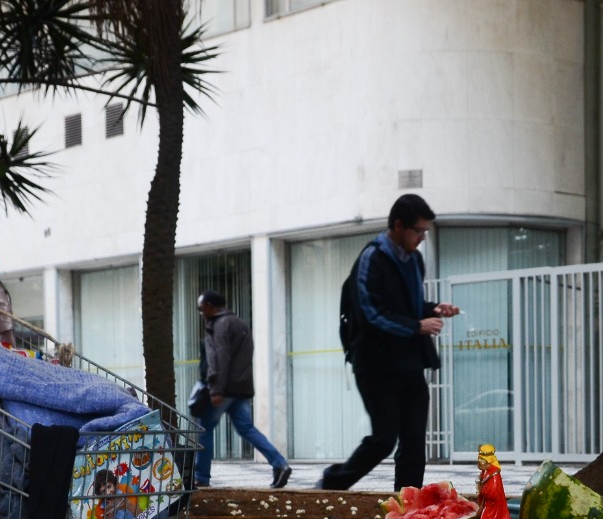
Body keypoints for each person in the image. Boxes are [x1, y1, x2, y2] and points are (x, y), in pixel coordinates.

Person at [317, 194, 459, 491]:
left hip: (409, 363)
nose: (422, 237)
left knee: (414, 440)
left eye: (425, 232)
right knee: (384, 438)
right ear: (398, 225)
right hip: (375, 365)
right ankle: (331, 484)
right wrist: (416, 325)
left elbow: (408, 307)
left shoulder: (415, 259)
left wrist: (432, 308)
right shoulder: (373, 257)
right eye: (418, 231)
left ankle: (409, 505)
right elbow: (370, 313)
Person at [193, 290, 290, 489]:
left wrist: (216, 389)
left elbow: (220, 357)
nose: (201, 312)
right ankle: (279, 463)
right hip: (241, 389)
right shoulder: (239, 322)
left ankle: (201, 477)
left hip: (224, 389)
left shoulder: (219, 325)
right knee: (246, 429)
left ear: (210, 306)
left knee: (203, 429)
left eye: (201, 308)